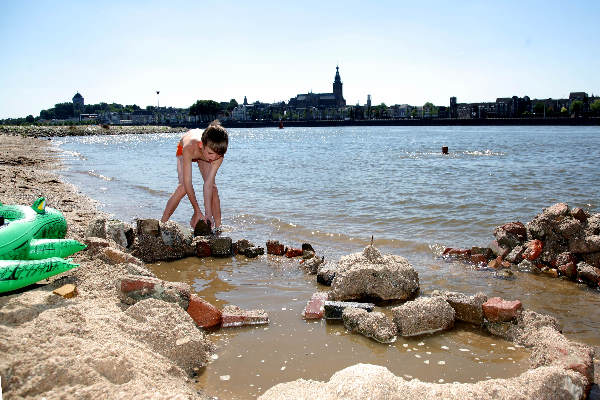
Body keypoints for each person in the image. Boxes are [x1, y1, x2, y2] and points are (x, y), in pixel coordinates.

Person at [161, 120, 228, 230]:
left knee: (213, 188)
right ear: (202, 146)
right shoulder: (190, 147)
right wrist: (197, 210)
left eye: (218, 155)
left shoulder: (217, 155)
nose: (213, 159)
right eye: (211, 154)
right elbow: (188, 183)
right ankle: (162, 223)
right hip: (185, 148)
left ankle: (218, 226)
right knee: (183, 187)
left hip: (203, 152)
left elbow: (208, 185)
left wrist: (208, 214)